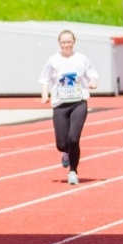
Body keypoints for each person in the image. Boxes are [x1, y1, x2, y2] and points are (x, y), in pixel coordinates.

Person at [38, 29, 98, 185]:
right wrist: (45, 95)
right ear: (59, 43)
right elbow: (45, 79)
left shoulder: (81, 59)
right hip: (60, 104)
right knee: (62, 144)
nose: (66, 45)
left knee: (73, 138)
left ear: (73, 42)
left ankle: (73, 171)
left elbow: (92, 75)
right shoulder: (53, 60)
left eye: (69, 42)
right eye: (63, 42)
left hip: (79, 102)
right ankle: (65, 153)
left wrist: (93, 83)